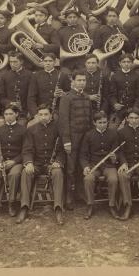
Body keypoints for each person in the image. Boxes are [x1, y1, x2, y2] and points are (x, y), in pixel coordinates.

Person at [20, 104, 65, 224]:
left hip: (52, 164)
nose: (43, 117)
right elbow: (27, 149)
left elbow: (61, 150)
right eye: (41, 114)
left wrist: (58, 162)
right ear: (37, 116)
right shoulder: (31, 130)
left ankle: (58, 207)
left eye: (46, 114)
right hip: (37, 164)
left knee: (58, 172)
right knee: (26, 172)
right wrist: (29, 163)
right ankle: (24, 206)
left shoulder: (58, 128)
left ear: (51, 115)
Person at [58, 69, 93, 209]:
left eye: (83, 80)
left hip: (85, 139)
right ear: (72, 82)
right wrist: (66, 141)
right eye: (79, 80)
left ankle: (80, 194)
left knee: (81, 167)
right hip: (72, 139)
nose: (81, 83)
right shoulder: (66, 98)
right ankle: (68, 197)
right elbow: (63, 121)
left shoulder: (86, 97)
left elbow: (90, 120)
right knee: (70, 169)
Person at [0, 105, 25, 218]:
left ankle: (11, 203)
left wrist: (14, 161)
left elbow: (26, 150)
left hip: (16, 162)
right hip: (1, 162)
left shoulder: (23, 131)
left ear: (16, 114)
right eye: (6, 114)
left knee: (14, 174)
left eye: (11, 114)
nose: (8, 116)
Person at [79, 111, 121, 220]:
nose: (103, 125)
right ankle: (90, 205)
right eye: (100, 122)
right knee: (88, 179)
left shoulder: (113, 134)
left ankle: (112, 205)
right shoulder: (89, 135)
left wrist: (114, 158)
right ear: (94, 123)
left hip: (108, 166)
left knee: (113, 179)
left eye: (105, 122)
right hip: (94, 165)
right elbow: (83, 154)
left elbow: (117, 154)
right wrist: (85, 166)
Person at [27, 52, 70, 120]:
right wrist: (35, 114)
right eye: (45, 61)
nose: (48, 63)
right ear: (42, 62)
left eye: (50, 61)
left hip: (57, 111)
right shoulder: (36, 76)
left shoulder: (62, 75)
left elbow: (70, 93)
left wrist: (63, 94)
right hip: (41, 111)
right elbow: (31, 98)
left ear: (55, 62)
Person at [108, 53, 139, 128]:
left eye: (128, 62)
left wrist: (135, 108)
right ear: (120, 63)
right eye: (124, 62)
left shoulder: (137, 77)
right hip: (119, 110)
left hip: (132, 109)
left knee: (131, 129)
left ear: (132, 63)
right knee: (112, 129)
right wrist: (115, 104)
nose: (126, 64)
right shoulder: (115, 77)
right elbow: (111, 94)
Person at [90, 7, 129, 72]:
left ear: (118, 18)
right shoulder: (100, 29)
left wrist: (126, 40)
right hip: (105, 60)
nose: (112, 18)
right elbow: (96, 47)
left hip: (117, 59)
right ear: (106, 17)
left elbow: (129, 50)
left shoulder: (121, 30)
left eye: (114, 16)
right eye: (109, 16)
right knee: (105, 75)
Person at [0, 51, 32, 125]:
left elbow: (32, 95)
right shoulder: (4, 76)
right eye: (10, 62)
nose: (12, 64)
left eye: (15, 62)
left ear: (21, 61)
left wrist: (30, 110)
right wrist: (10, 103)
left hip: (24, 111)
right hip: (9, 112)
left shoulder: (30, 75)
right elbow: (0, 97)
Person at [56, 9, 91, 73]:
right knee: (65, 74)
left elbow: (88, 43)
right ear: (66, 19)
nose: (72, 19)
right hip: (67, 62)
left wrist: (89, 43)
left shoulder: (82, 28)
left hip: (81, 60)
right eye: (70, 17)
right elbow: (58, 46)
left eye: (74, 17)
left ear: (77, 18)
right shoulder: (61, 31)